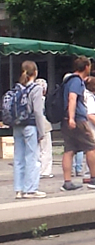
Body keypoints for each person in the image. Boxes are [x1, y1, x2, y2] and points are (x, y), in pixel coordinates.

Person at [60, 56, 95, 191]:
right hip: (77, 119)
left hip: (65, 119)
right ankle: (94, 178)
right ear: (86, 67)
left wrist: (68, 118)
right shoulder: (76, 81)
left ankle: (67, 182)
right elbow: (72, 98)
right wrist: (72, 117)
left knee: (69, 150)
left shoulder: (67, 80)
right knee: (91, 147)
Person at [11, 61, 49, 199]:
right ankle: (30, 189)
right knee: (32, 157)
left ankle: (19, 190)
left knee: (18, 158)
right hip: (30, 125)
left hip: (17, 126)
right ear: (36, 72)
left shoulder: (17, 88)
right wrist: (41, 131)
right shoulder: (36, 88)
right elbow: (38, 111)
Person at [35, 78, 54, 179]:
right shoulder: (44, 100)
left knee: (36, 149)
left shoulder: (32, 99)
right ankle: (45, 171)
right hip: (45, 125)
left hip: (33, 126)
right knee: (46, 149)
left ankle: (36, 170)